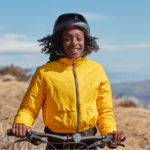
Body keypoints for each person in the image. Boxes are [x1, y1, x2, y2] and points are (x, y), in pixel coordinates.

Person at [11, 13, 124, 149]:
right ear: (60, 42)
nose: (74, 43)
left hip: (88, 141)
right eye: (67, 39)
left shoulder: (97, 70)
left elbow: (104, 110)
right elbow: (29, 107)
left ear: (85, 41)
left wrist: (110, 133)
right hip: (55, 142)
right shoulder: (44, 72)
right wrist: (22, 123)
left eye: (79, 38)